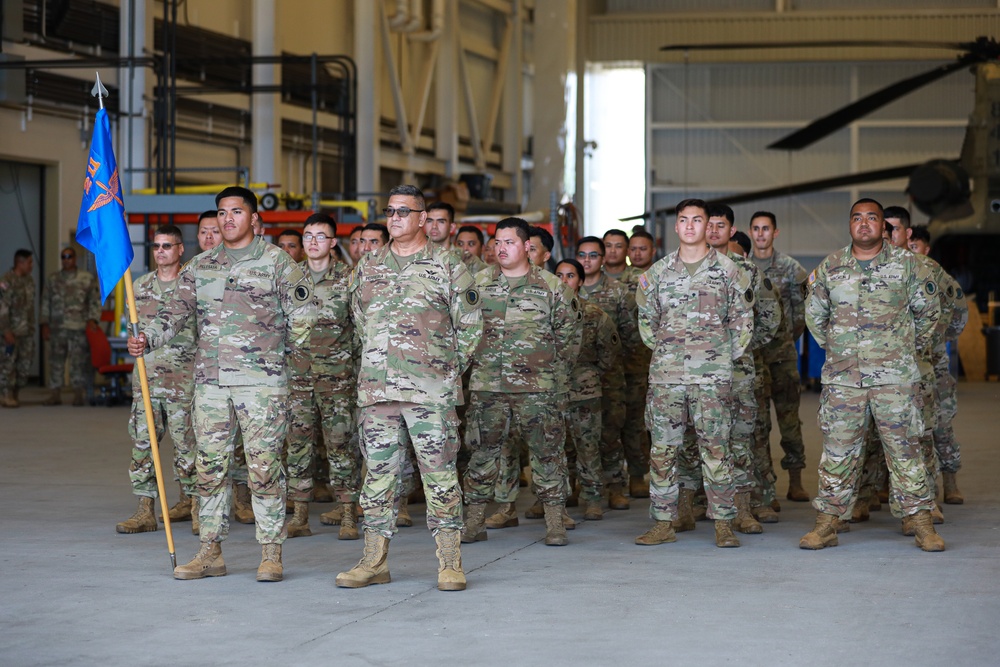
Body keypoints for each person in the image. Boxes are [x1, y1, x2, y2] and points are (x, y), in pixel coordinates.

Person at [127, 186, 315, 582]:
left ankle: (270, 554)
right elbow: (174, 313)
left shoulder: (278, 263)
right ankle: (210, 552)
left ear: (253, 218)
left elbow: (304, 316)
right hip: (210, 385)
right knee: (210, 468)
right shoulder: (201, 266)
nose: (228, 219)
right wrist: (148, 337)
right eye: (222, 213)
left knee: (264, 469)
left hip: (261, 386)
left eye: (236, 212)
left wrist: (277, 358)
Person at [336, 184, 482, 592]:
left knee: (439, 476)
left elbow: (470, 328)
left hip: (429, 393)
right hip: (378, 392)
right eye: (390, 211)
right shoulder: (369, 266)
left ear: (422, 218)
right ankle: (374, 561)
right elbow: (360, 320)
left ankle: (450, 562)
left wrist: (442, 372)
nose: (395, 218)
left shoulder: (448, 265)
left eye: (404, 212)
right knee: (378, 477)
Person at [800, 198, 944, 552]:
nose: (864, 224)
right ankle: (827, 523)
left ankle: (921, 522)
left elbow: (928, 314)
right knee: (837, 453)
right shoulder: (832, 266)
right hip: (844, 380)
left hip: (894, 380)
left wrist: (899, 350)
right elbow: (815, 316)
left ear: (885, 227)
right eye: (857, 218)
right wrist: (841, 350)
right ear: (850, 225)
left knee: (905, 451)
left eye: (872, 218)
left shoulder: (909, 265)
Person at [634, 198, 753, 549]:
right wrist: (670, 353)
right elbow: (647, 324)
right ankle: (662, 523)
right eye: (683, 220)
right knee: (663, 451)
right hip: (667, 377)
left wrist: (718, 360)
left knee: (716, 449)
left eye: (697, 220)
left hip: (712, 378)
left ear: (708, 226)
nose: (689, 226)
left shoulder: (731, 271)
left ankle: (724, 524)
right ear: (676, 226)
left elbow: (742, 324)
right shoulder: (656, 274)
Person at [462, 217, 581, 546]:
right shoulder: (477, 284)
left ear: (527, 247)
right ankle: (474, 521)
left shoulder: (552, 287)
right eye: (497, 242)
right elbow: (462, 329)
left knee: (547, 454)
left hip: (538, 389)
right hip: (488, 386)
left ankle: (554, 522)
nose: (501, 248)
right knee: (482, 454)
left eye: (509, 242)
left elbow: (570, 338)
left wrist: (553, 377)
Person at [699, 204, 781, 532]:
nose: (714, 231)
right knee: (696, 441)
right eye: (710, 225)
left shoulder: (748, 270)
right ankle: (690, 507)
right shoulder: (682, 269)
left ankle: (743, 509)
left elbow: (769, 317)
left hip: (737, 372)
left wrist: (741, 348)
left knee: (740, 439)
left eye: (721, 226)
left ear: (732, 231)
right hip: (696, 372)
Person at [115, 226, 198, 536]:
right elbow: (133, 333)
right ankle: (145, 511)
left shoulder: (191, 287)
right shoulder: (139, 287)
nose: (161, 250)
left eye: (167, 245)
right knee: (142, 446)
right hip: (147, 382)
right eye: (156, 246)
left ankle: (193, 505)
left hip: (183, 382)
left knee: (187, 447)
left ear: (180, 250)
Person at [285, 214, 360, 540]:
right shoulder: (289, 278)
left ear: (332, 243)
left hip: (337, 379)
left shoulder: (348, 278)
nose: (313, 242)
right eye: (308, 236)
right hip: (298, 379)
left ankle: (348, 515)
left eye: (321, 236)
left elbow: (360, 330)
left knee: (341, 445)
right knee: (297, 446)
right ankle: (300, 516)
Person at [750, 211, 809, 503]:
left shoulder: (791, 269)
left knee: (789, 421)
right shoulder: (742, 267)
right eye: (756, 229)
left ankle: (795, 480)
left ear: (776, 232)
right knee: (758, 424)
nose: (761, 234)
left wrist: (784, 338)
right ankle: (764, 486)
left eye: (766, 229)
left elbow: (802, 314)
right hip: (753, 358)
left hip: (783, 356)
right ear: (750, 232)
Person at [576, 235, 639, 509]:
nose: (587, 260)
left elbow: (631, 335)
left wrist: (609, 363)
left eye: (593, 255)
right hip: (574, 380)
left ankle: (615, 486)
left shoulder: (618, 291)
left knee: (609, 432)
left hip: (611, 376)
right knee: (574, 435)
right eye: (582, 255)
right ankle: (575, 486)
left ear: (602, 260)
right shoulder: (565, 291)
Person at [908, 224, 968, 505]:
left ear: (926, 248)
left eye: (915, 246)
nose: (912, 251)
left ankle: (951, 481)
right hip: (907, 365)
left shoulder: (937, 274)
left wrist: (942, 338)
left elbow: (959, 310)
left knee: (941, 425)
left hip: (935, 364)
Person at [554, 258, 618, 522]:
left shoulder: (594, 313)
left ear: (580, 281)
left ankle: (592, 498)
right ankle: (555, 498)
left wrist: (591, 374)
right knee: (555, 448)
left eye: (570, 276)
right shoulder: (544, 311)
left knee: (588, 446)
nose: (564, 281)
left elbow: (610, 352)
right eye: (559, 275)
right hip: (553, 389)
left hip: (585, 390)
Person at [40, 246, 101, 406]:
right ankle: (55, 394)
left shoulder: (86, 278)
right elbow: (46, 302)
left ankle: (78, 394)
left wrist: (93, 319)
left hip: (79, 327)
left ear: (75, 259)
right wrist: (44, 324)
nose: (66, 260)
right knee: (56, 361)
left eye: (69, 257)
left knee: (79, 362)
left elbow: (94, 301)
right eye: (63, 257)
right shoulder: (53, 279)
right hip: (57, 327)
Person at [0, 249, 36, 408]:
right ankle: (5, 394)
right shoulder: (6, 281)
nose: (31, 265)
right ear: (20, 263)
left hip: (26, 332)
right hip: (11, 332)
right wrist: (6, 330)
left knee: (24, 367)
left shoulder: (29, 281)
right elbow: (2, 308)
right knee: (8, 365)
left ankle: (15, 393)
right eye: (29, 262)